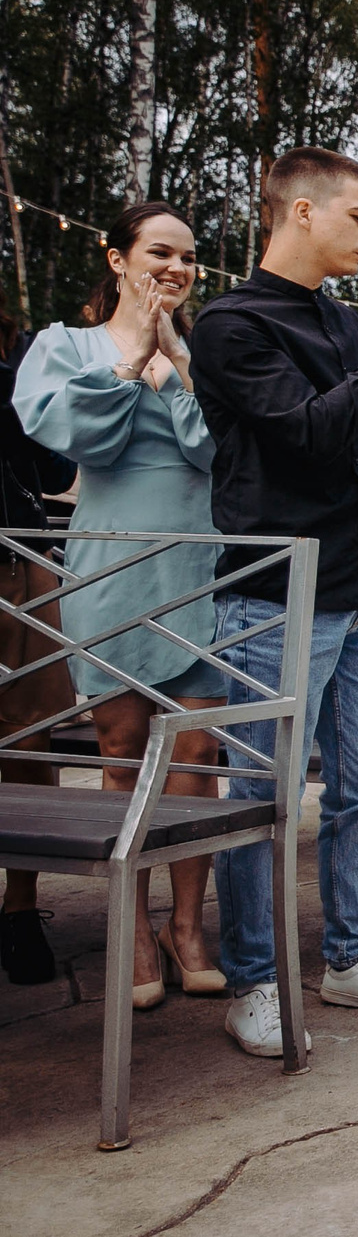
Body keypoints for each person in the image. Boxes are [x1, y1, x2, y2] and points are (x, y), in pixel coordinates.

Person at [191, 146, 358, 1057]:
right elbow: (308, 437)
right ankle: (255, 980)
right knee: (261, 795)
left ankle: (352, 958)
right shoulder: (231, 325)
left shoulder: (346, 324)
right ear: (300, 212)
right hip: (276, 597)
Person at [14, 203, 228, 1006]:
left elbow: (216, 453)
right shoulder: (62, 348)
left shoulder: (202, 355)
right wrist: (133, 356)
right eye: (160, 253)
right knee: (122, 749)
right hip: (112, 563)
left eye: (189, 257)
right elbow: (80, 439)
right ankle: (132, 927)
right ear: (116, 258)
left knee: (199, 753)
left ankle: (188, 926)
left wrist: (174, 374)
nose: (176, 268)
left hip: (198, 561)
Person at [0, 301, 76, 987]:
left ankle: (19, 908)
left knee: (30, 734)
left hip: (16, 561)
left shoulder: (19, 371)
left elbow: (54, 472)